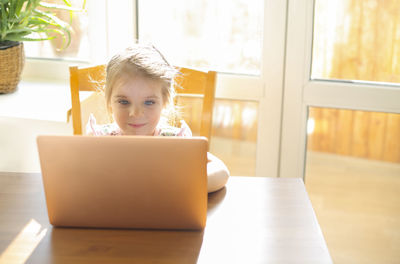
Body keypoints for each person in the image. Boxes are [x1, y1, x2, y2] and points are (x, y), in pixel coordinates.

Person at [86, 43, 229, 193]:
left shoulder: (175, 142)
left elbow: (221, 172)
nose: (135, 113)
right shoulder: (100, 140)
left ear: (165, 102)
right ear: (109, 102)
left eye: (149, 102)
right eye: (124, 102)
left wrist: (180, 186)